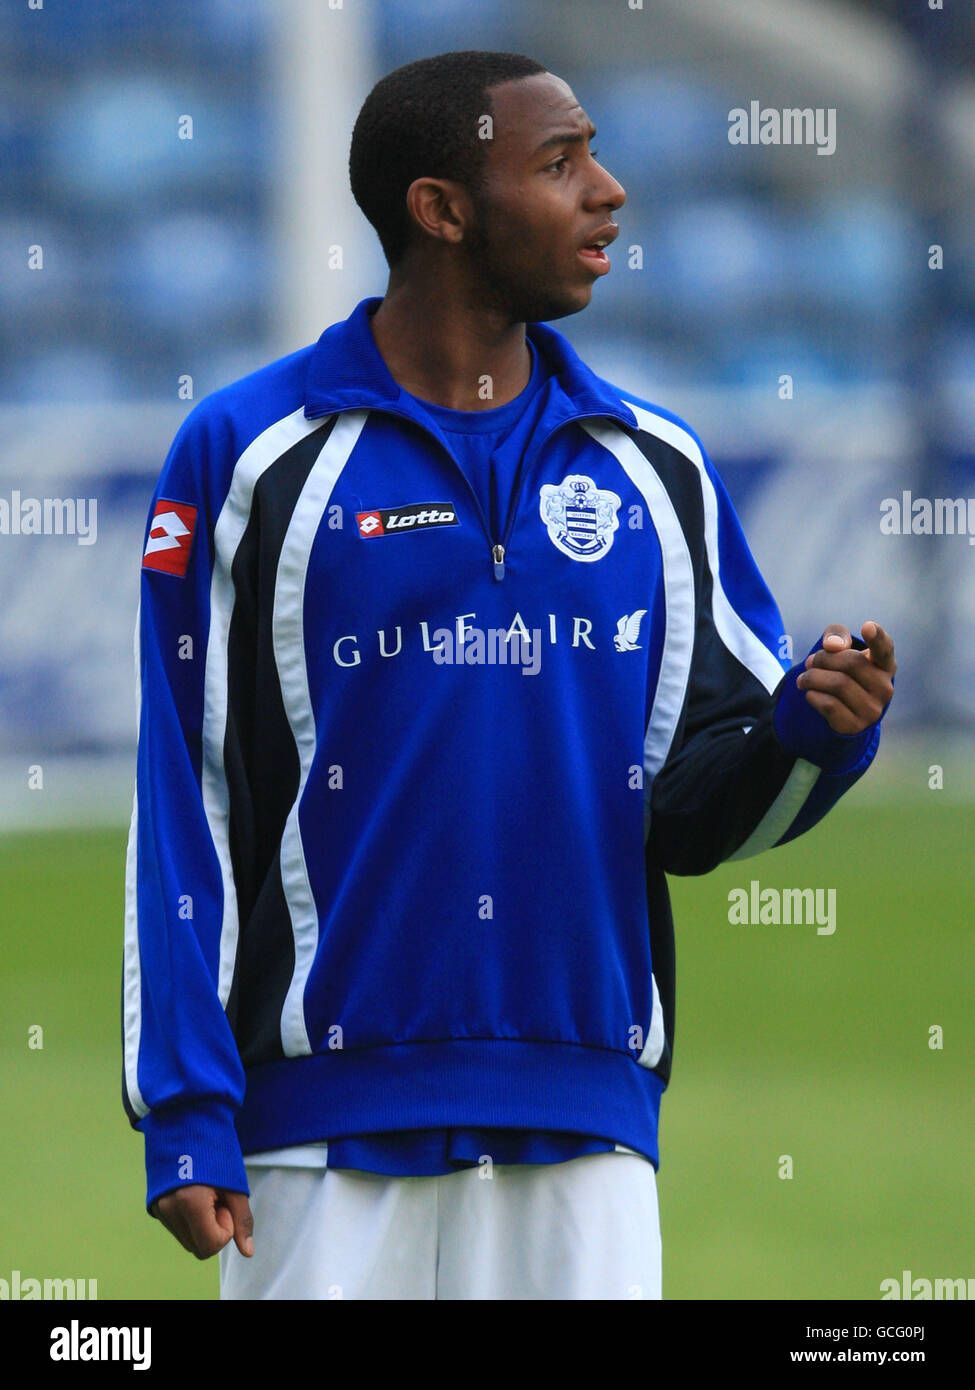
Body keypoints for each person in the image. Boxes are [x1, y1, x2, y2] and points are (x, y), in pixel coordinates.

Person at [122, 50, 896, 1300]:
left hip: (586, 1130)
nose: (611, 190)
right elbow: (190, 800)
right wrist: (187, 1103)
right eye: (560, 162)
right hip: (317, 1145)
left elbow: (694, 812)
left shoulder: (657, 467)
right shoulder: (247, 458)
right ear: (441, 210)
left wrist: (814, 733)